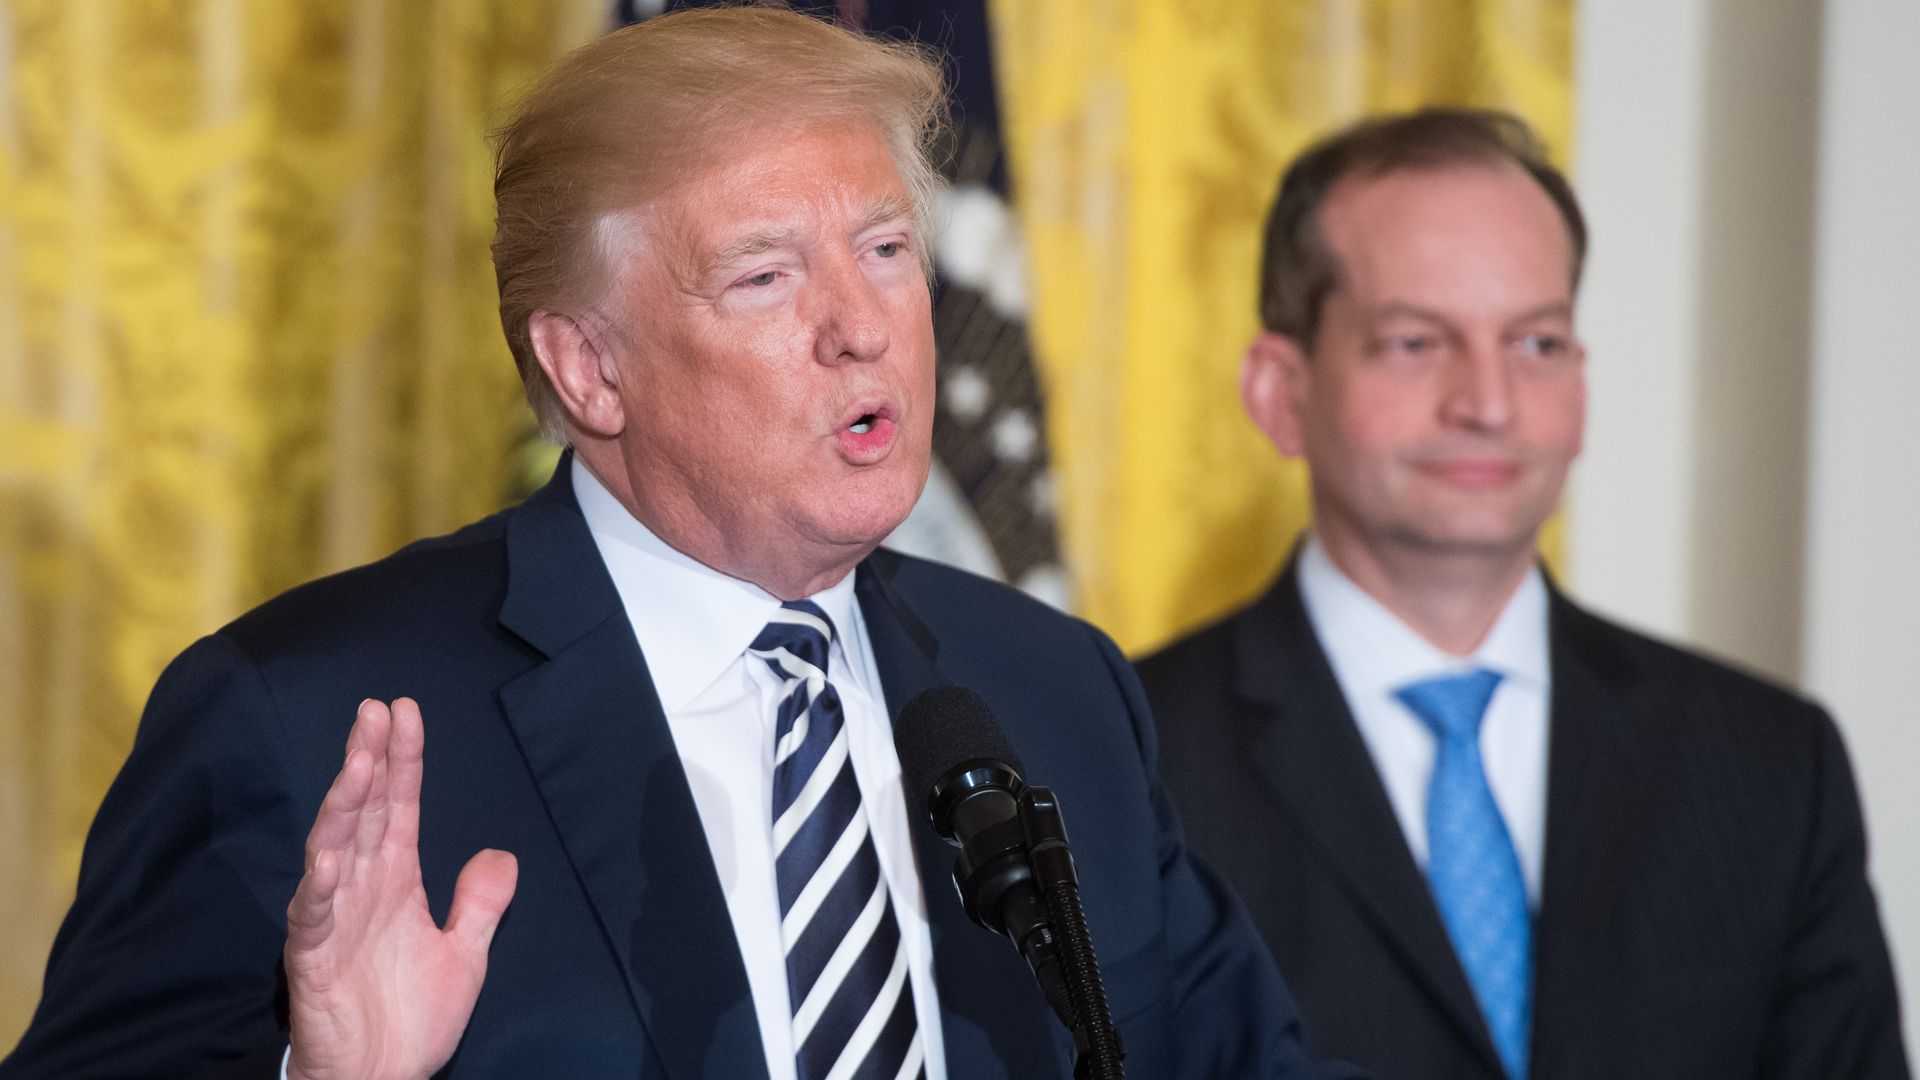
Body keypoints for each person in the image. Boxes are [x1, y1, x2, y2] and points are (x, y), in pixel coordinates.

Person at [0, 10, 1361, 1080]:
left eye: (887, 248)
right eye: (768, 275)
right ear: (589, 371)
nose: (864, 323)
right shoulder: (303, 720)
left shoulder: (1052, 688)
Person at [1137, 108, 1910, 1080]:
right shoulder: (1124, 761)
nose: (1489, 403)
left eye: (1536, 344)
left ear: (1580, 384)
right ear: (1280, 392)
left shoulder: (1772, 768)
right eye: (1417, 343)